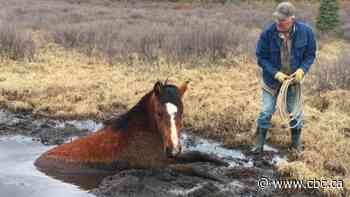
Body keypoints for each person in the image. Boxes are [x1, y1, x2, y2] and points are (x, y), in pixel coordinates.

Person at [252, 2, 316, 154]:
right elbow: (261, 58)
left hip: (293, 82)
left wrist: (302, 70)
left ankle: (295, 147)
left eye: (282, 20)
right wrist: (276, 73)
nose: (279, 23)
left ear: (292, 19)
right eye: (277, 19)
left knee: (296, 114)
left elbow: (310, 54)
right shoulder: (268, 33)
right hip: (271, 81)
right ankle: (258, 146)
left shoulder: (306, 32)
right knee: (266, 111)